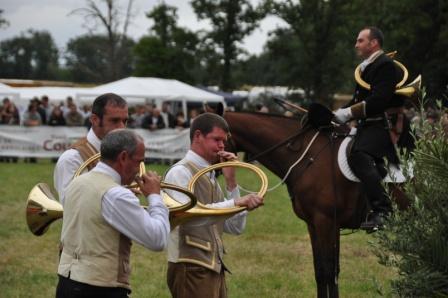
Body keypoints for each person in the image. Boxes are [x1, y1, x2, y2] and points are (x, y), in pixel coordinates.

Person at [56, 129, 170, 298]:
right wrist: (155, 196)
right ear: (123, 158)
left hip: (67, 282)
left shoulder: (77, 182)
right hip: (99, 288)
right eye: (139, 161)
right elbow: (158, 239)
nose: (139, 170)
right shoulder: (116, 194)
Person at [164, 113, 264, 298]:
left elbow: (235, 227)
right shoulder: (180, 172)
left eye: (223, 141)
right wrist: (235, 202)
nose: (221, 146)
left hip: (212, 266)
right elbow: (189, 217)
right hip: (190, 265)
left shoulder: (209, 177)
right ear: (197, 136)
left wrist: (231, 183)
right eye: (216, 139)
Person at [333, 26, 405, 231]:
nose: (356, 44)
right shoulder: (368, 66)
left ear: (373, 43)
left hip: (380, 126)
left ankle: (382, 211)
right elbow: (359, 100)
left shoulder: (384, 65)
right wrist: (339, 113)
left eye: (360, 40)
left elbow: (378, 101)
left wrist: (347, 114)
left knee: (357, 155)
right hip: (368, 125)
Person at [54, 93, 128, 204]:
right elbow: (70, 205)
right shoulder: (72, 158)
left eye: (125, 121)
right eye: (115, 121)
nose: (122, 127)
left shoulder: (121, 153)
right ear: (94, 119)